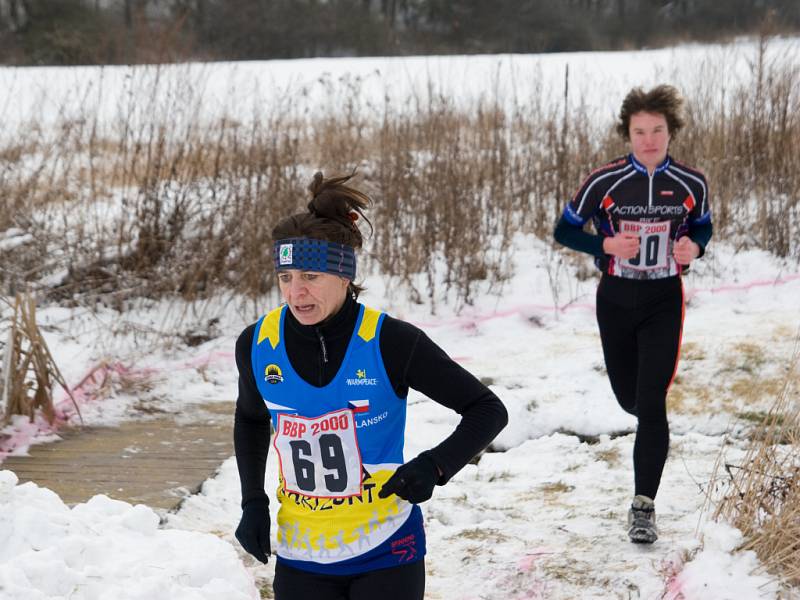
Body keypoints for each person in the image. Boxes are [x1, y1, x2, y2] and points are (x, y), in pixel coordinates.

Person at [233, 171, 508, 599]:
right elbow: (250, 420)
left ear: (344, 275)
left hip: (386, 549)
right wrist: (253, 502)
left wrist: (435, 466)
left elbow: (487, 408)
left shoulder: (391, 341)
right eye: (286, 277)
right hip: (302, 553)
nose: (296, 292)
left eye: (311, 276)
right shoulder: (257, 344)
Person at [553, 85, 712, 544]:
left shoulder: (690, 182)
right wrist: (603, 244)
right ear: (627, 133)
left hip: (664, 298)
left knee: (653, 402)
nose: (648, 140)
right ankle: (643, 413)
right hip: (616, 299)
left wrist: (695, 246)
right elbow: (564, 228)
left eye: (657, 130)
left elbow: (703, 223)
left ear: (670, 132)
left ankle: (643, 506)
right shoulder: (604, 181)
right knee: (632, 399)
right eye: (639, 131)